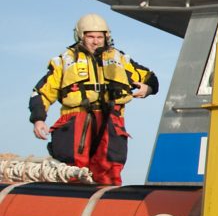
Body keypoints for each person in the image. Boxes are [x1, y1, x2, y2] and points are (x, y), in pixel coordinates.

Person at [29, 14, 158, 185]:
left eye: (99, 37)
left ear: (106, 37)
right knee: (72, 169)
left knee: (110, 167)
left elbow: (150, 77)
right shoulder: (64, 61)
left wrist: (148, 88)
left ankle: (106, 199)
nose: (96, 41)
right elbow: (41, 93)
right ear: (80, 36)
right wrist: (38, 119)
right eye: (90, 36)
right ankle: (71, 197)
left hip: (111, 119)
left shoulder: (119, 59)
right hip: (75, 119)